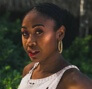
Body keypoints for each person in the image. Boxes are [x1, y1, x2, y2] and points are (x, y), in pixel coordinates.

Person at [18, 3, 92, 89]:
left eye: (39, 32)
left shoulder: (75, 82)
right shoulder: (28, 71)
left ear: (60, 34)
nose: (30, 42)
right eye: (25, 33)